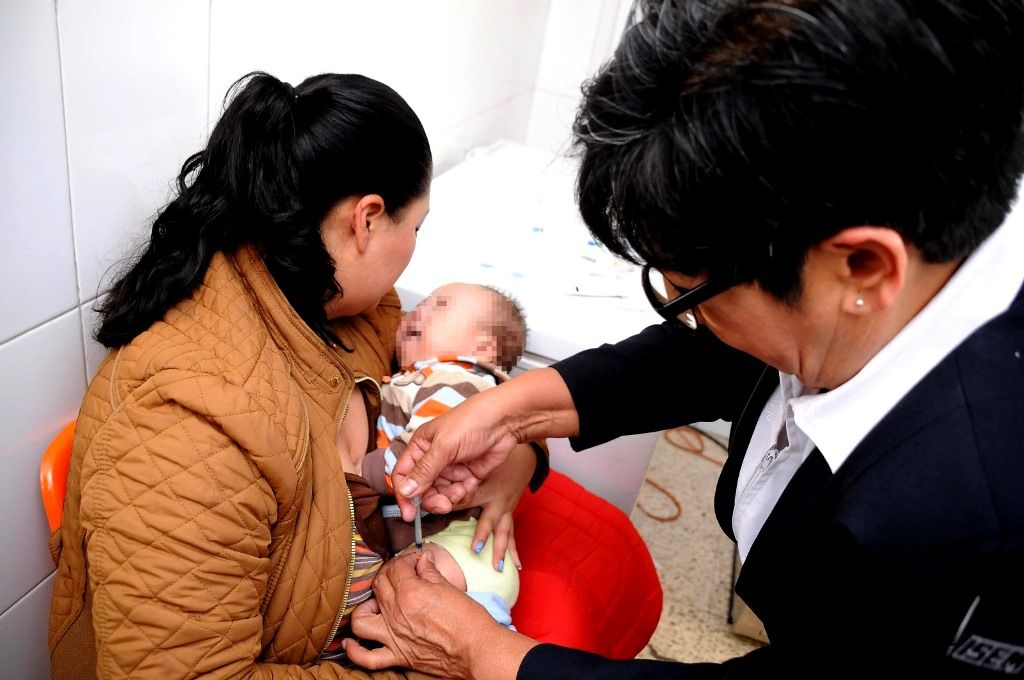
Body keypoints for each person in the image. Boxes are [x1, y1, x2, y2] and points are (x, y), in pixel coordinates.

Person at [341, 1, 1024, 678]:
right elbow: (717, 358)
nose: (679, 314)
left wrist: (484, 652)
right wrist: (509, 411)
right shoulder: (875, 277)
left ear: (865, 268)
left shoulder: (974, 521)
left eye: (688, 290)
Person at [45, 71, 541, 679]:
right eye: (416, 227)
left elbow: (460, 381)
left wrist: (515, 459)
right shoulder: (183, 427)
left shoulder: (350, 303)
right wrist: (440, 662)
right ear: (366, 219)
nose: (414, 249)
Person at [327, 282, 530, 665]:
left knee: (400, 594)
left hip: (460, 549)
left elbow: (426, 455)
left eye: (440, 305)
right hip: (459, 553)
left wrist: (359, 470)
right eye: (420, 304)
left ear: (484, 346)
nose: (418, 311)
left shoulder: (452, 379)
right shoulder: (426, 379)